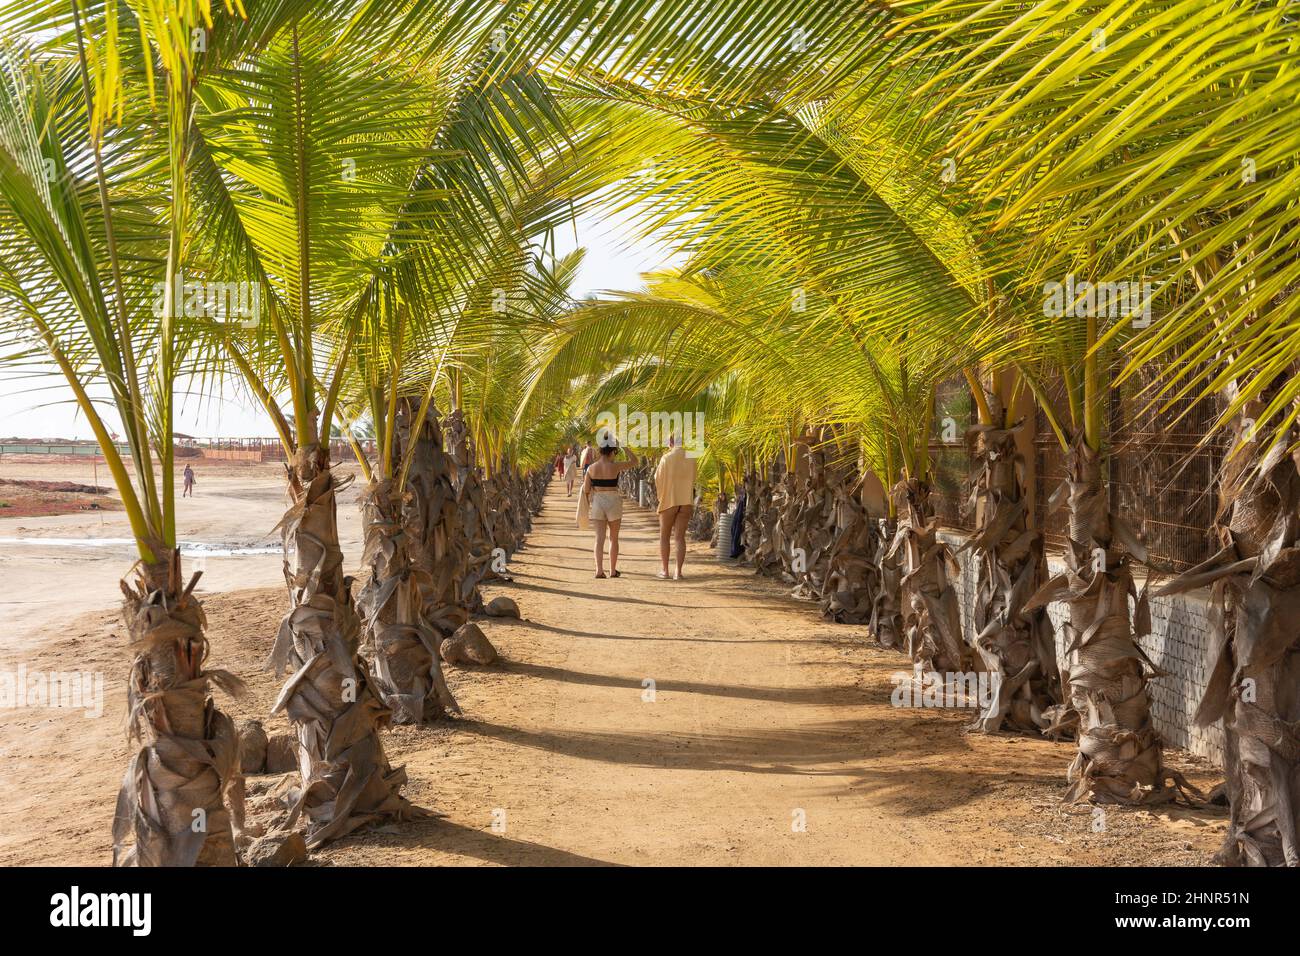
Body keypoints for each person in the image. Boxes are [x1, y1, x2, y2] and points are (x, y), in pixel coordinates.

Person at [581, 431, 639, 578]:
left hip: (598, 502)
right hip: (613, 501)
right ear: (613, 450)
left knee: (599, 539)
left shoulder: (591, 468)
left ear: (600, 449)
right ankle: (613, 570)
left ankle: (599, 571)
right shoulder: (616, 466)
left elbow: (587, 489)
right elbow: (635, 461)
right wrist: (624, 446)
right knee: (614, 538)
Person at [654, 434, 697, 579]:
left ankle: (665, 571)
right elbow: (694, 478)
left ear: (671, 442)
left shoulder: (666, 458)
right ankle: (678, 572)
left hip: (669, 500)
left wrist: (661, 496)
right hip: (686, 500)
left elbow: (657, 478)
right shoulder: (691, 457)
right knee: (680, 538)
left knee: (664, 537)